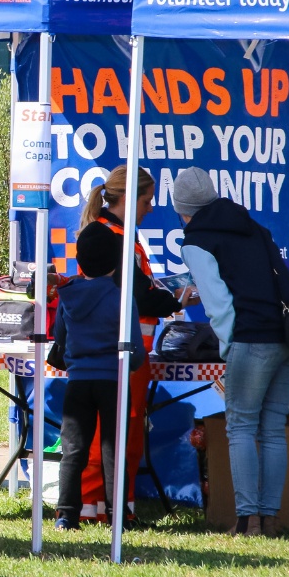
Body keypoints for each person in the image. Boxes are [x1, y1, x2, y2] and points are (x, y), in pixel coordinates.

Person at [173, 167, 289, 537]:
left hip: (252, 337)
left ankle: (248, 521)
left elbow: (218, 304)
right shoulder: (252, 227)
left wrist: (229, 347)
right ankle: (270, 520)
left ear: (182, 209)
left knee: (242, 427)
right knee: (273, 427)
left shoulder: (196, 241)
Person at [73, 166, 194, 522]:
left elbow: (137, 289)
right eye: (146, 199)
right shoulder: (106, 235)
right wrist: (176, 301)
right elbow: (132, 294)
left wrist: (169, 296)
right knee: (113, 427)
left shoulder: (120, 233)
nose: (151, 207)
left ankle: (113, 506)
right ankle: (99, 507)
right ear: (127, 197)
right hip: (115, 348)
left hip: (128, 347)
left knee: (123, 425)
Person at [53, 223, 142, 530]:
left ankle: (66, 514)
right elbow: (135, 350)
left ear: (80, 260)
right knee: (114, 451)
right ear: (117, 261)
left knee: (73, 451)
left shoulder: (68, 295)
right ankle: (118, 516)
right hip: (113, 382)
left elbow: (58, 338)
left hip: (77, 382)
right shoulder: (121, 297)